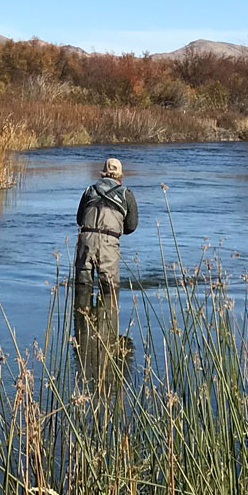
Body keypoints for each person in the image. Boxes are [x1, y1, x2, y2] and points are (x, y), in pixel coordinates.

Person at [72, 156, 138, 381]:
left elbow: (79, 218)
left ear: (102, 173)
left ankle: (82, 321)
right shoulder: (126, 193)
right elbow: (131, 226)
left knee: (81, 290)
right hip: (109, 243)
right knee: (109, 292)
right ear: (120, 176)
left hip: (86, 240)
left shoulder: (89, 190)